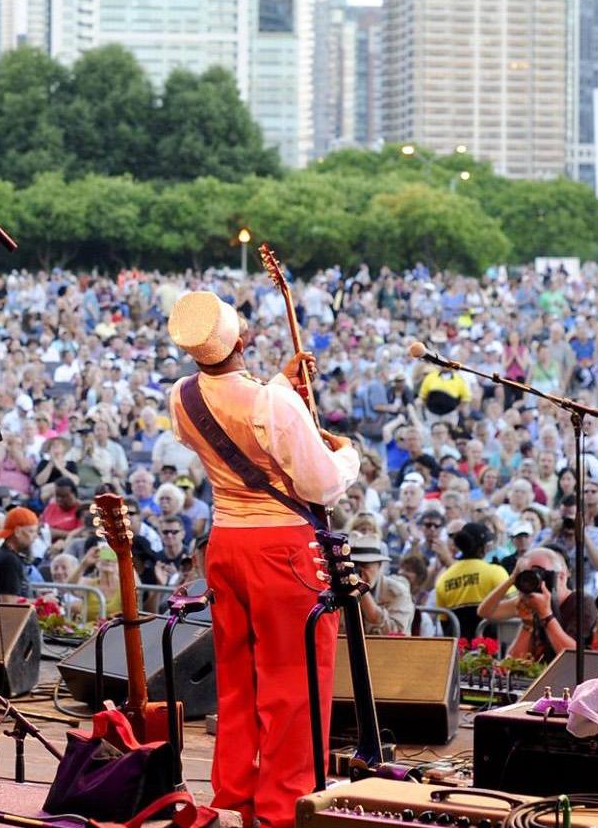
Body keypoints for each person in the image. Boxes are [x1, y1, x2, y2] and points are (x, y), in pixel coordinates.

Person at [165, 290, 357, 828]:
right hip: (283, 549)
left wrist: (279, 386)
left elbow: (232, 409)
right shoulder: (273, 404)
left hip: (225, 544)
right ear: (243, 340)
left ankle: (233, 797)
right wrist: (350, 456)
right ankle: (281, 809)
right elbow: (321, 483)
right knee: (292, 682)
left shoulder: (181, 397)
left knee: (237, 676)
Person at [433, 521, 503, 637]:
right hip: (491, 648)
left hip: (459, 647)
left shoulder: (443, 579)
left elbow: (444, 621)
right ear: (484, 547)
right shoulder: (495, 572)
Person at [347, 536, 415, 636]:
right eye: (354, 566)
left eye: (365, 565)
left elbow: (395, 633)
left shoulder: (397, 592)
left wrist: (362, 592)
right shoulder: (340, 592)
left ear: (379, 566)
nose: (358, 571)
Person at [0, 505, 39, 601]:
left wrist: (38, 594)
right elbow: (8, 601)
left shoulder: (4, 555)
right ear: (17, 532)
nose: (35, 537)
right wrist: (42, 602)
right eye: (31, 531)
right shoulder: (9, 561)